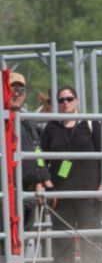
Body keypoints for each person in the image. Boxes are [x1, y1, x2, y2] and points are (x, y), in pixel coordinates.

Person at [41, 86, 102, 263]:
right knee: (62, 244)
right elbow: (40, 157)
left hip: (89, 194)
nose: (65, 103)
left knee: (91, 242)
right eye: (61, 100)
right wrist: (47, 184)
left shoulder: (91, 124)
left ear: (76, 100)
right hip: (61, 196)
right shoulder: (51, 127)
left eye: (69, 99)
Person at [9, 72, 53, 231]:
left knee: (25, 235)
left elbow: (38, 153)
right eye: (12, 88)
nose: (17, 93)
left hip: (32, 189)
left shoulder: (28, 122)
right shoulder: (10, 120)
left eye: (21, 90)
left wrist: (43, 179)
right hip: (9, 192)